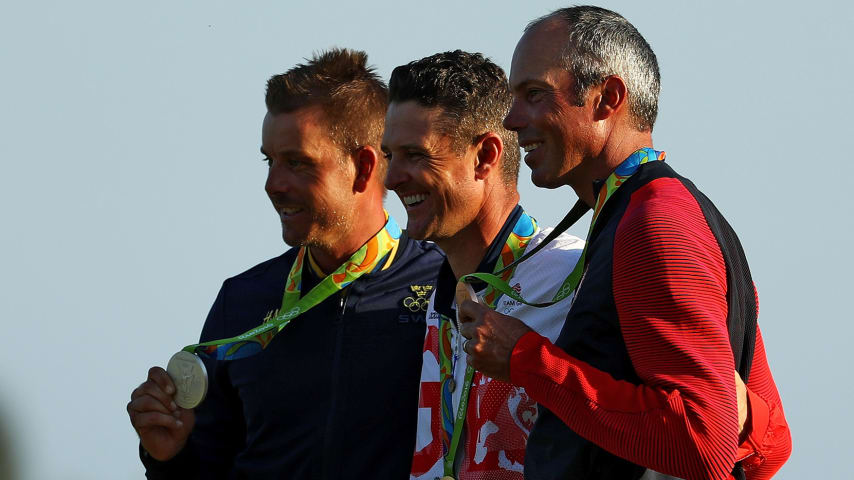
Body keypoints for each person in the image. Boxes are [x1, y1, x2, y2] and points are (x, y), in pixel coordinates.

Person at [457, 6, 792, 480]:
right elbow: (770, 443)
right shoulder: (671, 211)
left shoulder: (654, 223)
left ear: (606, 98)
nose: (511, 120)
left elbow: (704, 446)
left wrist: (526, 360)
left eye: (534, 94)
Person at [126, 48, 444, 479]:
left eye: (297, 162)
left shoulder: (445, 286)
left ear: (364, 166)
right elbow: (207, 468)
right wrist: (170, 456)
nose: (273, 184)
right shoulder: (241, 299)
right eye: (269, 160)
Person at [381, 50, 584, 479]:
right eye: (390, 156)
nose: (391, 178)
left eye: (415, 155)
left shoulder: (572, 276)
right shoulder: (441, 293)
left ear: (485, 156)